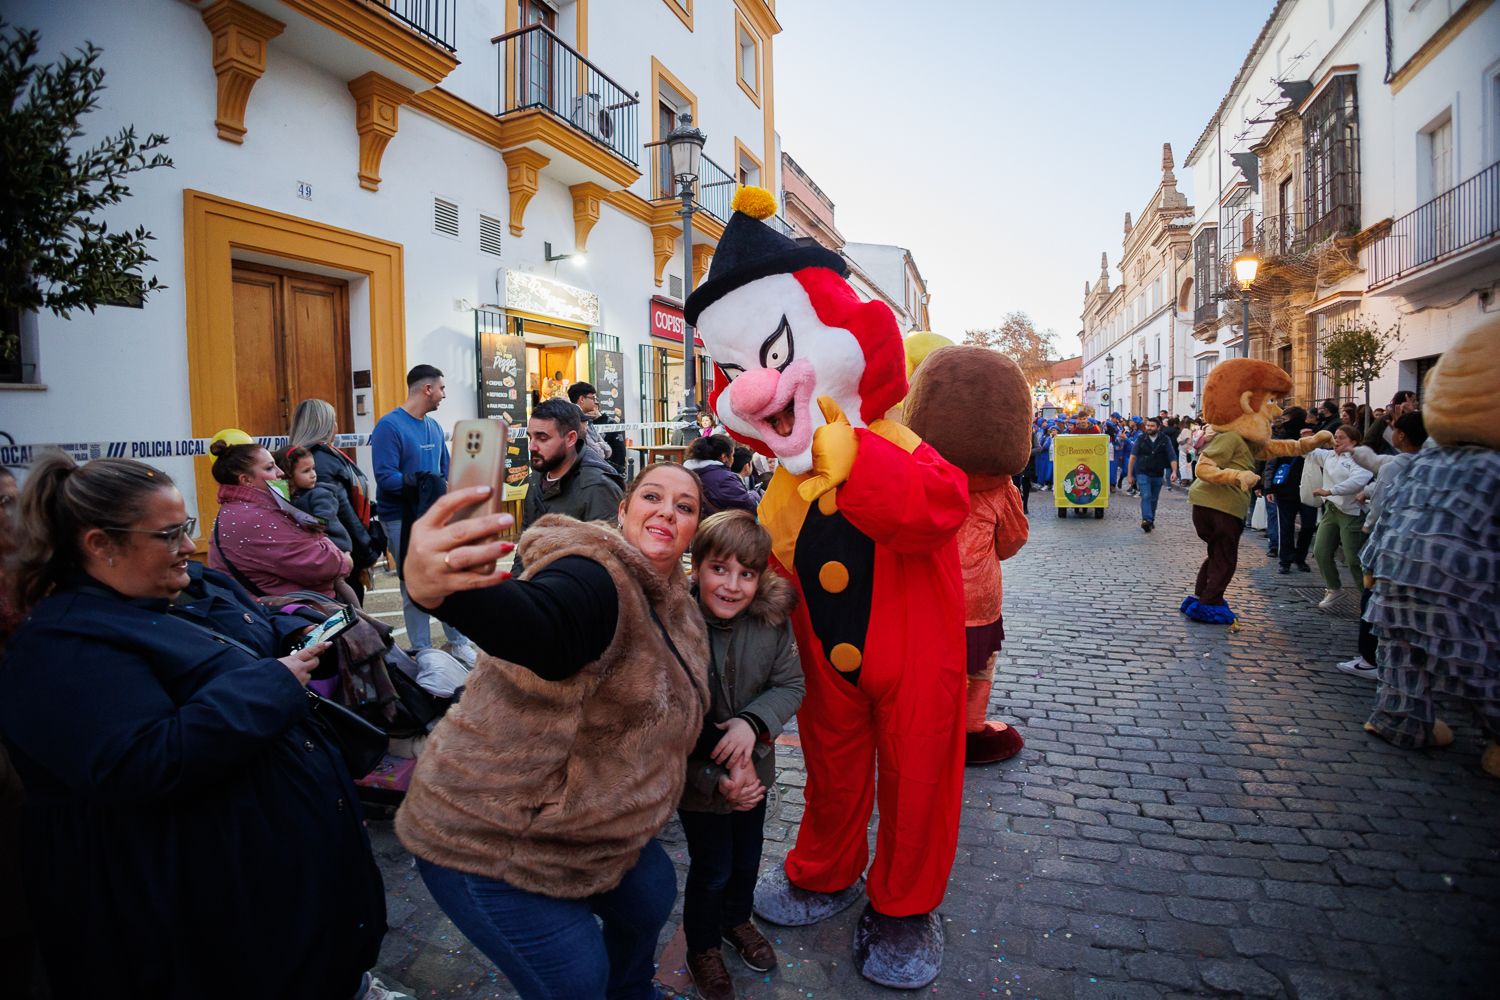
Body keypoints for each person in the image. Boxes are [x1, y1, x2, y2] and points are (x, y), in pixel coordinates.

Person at [0, 453, 393, 999]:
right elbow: (143, 760)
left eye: (185, 528)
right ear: (99, 544)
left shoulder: (149, 605)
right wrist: (271, 685)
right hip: (197, 930)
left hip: (263, 917)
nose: (189, 546)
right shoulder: (64, 649)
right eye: (168, 534)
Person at [394, 463, 712, 1000]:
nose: (666, 511)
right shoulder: (596, 574)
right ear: (623, 511)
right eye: (652, 496)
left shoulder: (677, 604)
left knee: (651, 893)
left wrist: (737, 748)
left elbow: (673, 709)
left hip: (589, 832)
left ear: (693, 530)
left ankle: (632, 991)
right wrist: (449, 592)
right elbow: (548, 624)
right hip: (493, 837)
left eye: (685, 507)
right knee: (575, 980)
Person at [680, 511, 805, 1000]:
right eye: (719, 569)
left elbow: (790, 684)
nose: (732, 586)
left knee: (747, 857)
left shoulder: (771, 621)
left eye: (746, 574)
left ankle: (736, 920)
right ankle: (702, 946)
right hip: (696, 783)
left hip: (754, 779)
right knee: (711, 867)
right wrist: (720, 774)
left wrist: (754, 724)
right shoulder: (677, 623)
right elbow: (673, 710)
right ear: (696, 568)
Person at [371, 365, 476, 662]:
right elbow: (385, 478)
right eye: (441, 388)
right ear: (427, 389)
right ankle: (422, 649)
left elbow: (446, 469)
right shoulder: (389, 426)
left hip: (434, 517)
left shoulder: (432, 426)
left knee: (445, 577)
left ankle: (458, 642)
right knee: (413, 583)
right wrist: (422, 481)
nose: (444, 394)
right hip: (400, 519)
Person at [1338, 410, 1428, 678]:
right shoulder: (1426, 463)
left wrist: (1368, 526)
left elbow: (1382, 500)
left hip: (1386, 542)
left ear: (1401, 435)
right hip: (1414, 547)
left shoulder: (1395, 465)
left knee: (1372, 598)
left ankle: (1369, 659)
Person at [208, 440, 352, 597]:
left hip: (279, 610)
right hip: (289, 614)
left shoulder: (242, 509)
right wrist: (342, 559)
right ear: (246, 480)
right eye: (269, 467)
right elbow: (322, 564)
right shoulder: (254, 517)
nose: (280, 472)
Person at [515, 398, 625, 570]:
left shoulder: (597, 487)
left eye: (542, 438)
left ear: (570, 438)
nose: (532, 446)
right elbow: (524, 546)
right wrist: (518, 588)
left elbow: (608, 565)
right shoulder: (537, 477)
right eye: (530, 437)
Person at [289, 398, 381, 601]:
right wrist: (367, 550)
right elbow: (342, 512)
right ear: (326, 425)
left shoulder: (300, 458)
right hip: (340, 551)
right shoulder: (320, 460)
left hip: (321, 551)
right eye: (334, 420)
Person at [1311, 424, 1373, 608]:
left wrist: (1330, 491)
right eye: (1335, 436)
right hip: (1332, 510)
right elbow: (1307, 452)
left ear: (1353, 441)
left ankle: (1368, 597)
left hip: (1352, 513)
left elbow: (1357, 481)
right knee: (1320, 551)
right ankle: (1334, 588)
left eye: (1341, 437)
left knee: (1354, 559)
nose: (1336, 440)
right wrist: (1311, 440)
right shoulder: (1329, 455)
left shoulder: (1359, 458)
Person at [1265, 407, 1317, 575]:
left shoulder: (1312, 435)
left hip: (1309, 487)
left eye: (1287, 418)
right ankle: (1285, 560)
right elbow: (1272, 462)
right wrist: (1269, 487)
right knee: (1286, 526)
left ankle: (1300, 557)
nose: (1284, 421)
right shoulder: (1282, 437)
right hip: (1285, 488)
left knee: (1308, 525)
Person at [685, 434, 763, 515]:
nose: (732, 459)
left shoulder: (689, 472)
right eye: (732, 455)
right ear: (724, 457)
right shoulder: (724, 479)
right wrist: (755, 494)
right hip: (717, 525)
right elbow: (749, 505)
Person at [1126, 416, 1175, 532]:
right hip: (1142, 472)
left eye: (1152, 426)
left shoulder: (1164, 439)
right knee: (1146, 495)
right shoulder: (1141, 439)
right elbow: (1132, 457)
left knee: (1154, 498)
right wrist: (1129, 475)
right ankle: (1146, 519)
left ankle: (1151, 520)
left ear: (1158, 427)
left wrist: (1173, 471)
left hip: (1158, 473)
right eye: (1148, 425)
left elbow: (1172, 455)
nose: (1149, 428)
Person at [567, 381, 613, 462]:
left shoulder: (588, 420)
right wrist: (600, 445)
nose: (595, 401)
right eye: (592, 398)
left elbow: (608, 450)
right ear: (581, 399)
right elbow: (598, 453)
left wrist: (599, 445)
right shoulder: (575, 420)